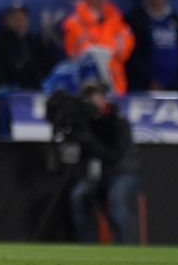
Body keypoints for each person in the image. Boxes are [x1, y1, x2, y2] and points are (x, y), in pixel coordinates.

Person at [69, 84, 141, 244]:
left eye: (96, 97)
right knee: (79, 195)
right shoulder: (87, 124)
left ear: (103, 99)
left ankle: (126, 246)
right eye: (88, 98)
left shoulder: (116, 121)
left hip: (123, 171)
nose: (92, 102)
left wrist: (88, 139)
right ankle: (88, 245)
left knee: (117, 197)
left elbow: (113, 154)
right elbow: (84, 156)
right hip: (101, 174)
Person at [63, 0, 135, 95]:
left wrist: (110, 50)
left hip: (114, 82)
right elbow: (74, 52)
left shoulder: (116, 20)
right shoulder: (75, 22)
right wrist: (105, 49)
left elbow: (124, 48)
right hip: (86, 84)